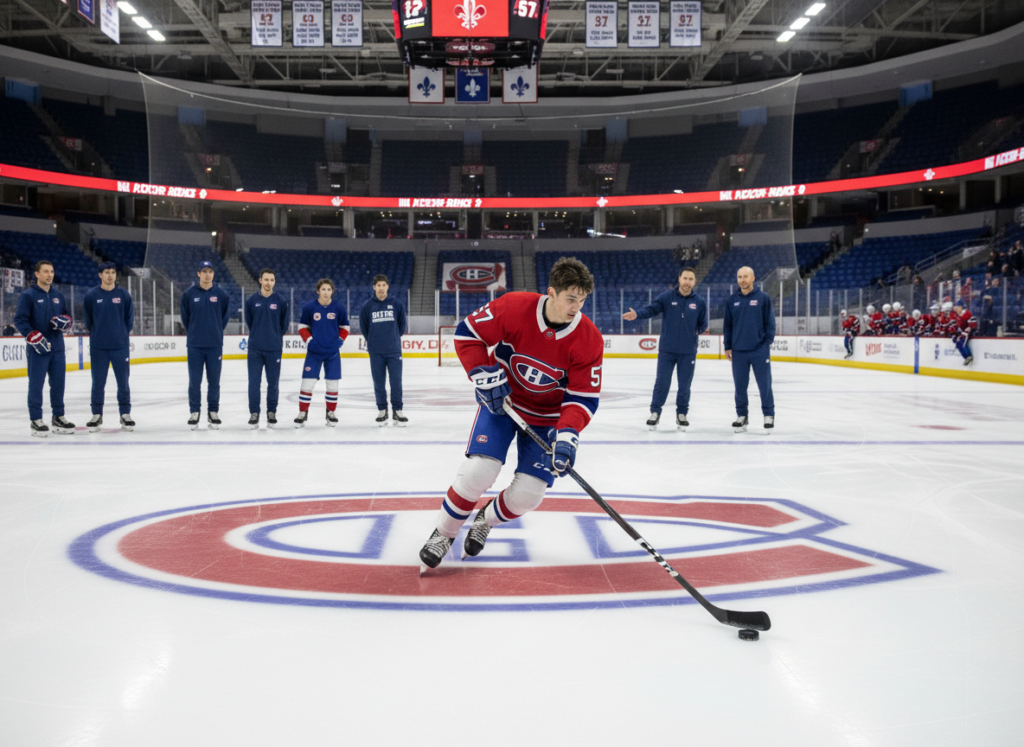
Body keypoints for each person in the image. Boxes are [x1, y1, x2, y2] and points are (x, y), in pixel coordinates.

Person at [418, 256, 603, 570]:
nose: (577, 307)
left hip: (547, 421)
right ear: (552, 293)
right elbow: (467, 333)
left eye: (582, 300)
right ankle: (444, 533)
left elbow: (583, 397)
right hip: (503, 405)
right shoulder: (514, 307)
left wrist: (568, 436)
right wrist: (483, 374)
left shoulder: (588, 339)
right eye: (571, 299)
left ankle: (485, 520)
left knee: (528, 496)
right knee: (478, 473)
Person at [621, 266, 707, 431]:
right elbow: (651, 309)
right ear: (679, 279)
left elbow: (703, 324)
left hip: (688, 352)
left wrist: (694, 332)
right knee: (662, 383)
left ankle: (682, 414)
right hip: (667, 350)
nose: (687, 282)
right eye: (685, 278)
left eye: (691, 279)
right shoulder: (667, 297)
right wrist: (637, 314)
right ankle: (655, 412)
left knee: (684, 385)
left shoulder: (699, 302)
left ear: (694, 281)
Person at [13, 259, 75, 437]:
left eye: (52, 272)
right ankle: (36, 420)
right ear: (37, 274)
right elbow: (20, 319)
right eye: (46, 272)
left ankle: (58, 417)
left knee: (58, 385)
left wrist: (66, 322)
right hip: (38, 349)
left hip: (57, 348)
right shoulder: (28, 295)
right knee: (36, 385)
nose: (50, 275)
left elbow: (67, 316)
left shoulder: (58, 295)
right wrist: (31, 335)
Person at [723, 266, 775, 434]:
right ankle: (742, 416)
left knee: (764, 385)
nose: (742, 280)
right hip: (738, 352)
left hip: (759, 350)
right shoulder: (732, 300)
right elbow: (728, 326)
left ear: (753, 278)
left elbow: (770, 323)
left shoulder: (763, 298)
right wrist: (728, 346)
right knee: (740, 387)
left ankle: (768, 415)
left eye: (745, 276)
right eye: (739, 276)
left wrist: (766, 343)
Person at [83, 261, 135, 432]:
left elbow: (129, 320)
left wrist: (119, 334)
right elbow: (88, 321)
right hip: (99, 347)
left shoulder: (124, 295)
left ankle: (125, 414)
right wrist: (99, 334)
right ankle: (96, 415)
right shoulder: (91, 295)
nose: (110, 275)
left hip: (120, 346)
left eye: (113, 272)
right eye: (106, 272)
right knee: (98, 383)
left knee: (123, 383)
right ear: (100, 275)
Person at [180, 259, 231, 430]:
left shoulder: (222, 295)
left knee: (214, 381)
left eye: (210, 271)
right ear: (198, 274)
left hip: (215, 344)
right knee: (195, 381)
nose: (207, 275)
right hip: (195, 345)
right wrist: (194, 331)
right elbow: (185, 319)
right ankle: (195, 412)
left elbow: (224, 318)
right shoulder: (188, 294)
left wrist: (215, 330)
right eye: (204, 271)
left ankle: (213, 412)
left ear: (213, 274)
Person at [295, 278, 350, 428]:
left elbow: (345, 327)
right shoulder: (309, 307)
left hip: (332, 352)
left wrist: (339, 341)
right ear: (318, 291)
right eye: (323, 289)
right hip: (314, 352)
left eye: (329, 289)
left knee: (332, 384)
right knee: (307, 383)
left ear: (332, 291)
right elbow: (302, 327)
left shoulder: (339, 308)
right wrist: (310, 341)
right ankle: (302, 413)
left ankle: (330, 413)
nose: (326, 292)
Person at [359, 274, 408, 427]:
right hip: (376, 351)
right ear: (374, 287)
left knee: (396, 382)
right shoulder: (367, 306)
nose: (381, 288)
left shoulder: (396, 304)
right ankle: (382, 410)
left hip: (394, 350)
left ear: (388, 286)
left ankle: (397, 410)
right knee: (378, 383)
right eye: (378, 285)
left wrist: (392, 338)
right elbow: (364, 327)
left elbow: (401, 326)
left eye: (383, 285)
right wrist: (374, 340)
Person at [244, 268, 289, 429]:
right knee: (254, 383)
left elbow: (284, 325)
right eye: (266, 279)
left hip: (274, 349)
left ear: (274, 282)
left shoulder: (281, 301)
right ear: (260, 280)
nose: (268, 283)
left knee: (273, 383)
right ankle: (254, 413)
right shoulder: (251, 301)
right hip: (255, 349)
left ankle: (271, 412)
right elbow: (250, 322)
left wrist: (274, 336)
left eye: (271, 280)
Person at [951, 301, 978, 366]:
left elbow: (972, 324)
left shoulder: (967, 313)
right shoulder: (958, 315)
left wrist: (965, 332)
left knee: (961, 339)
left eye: (957, 308)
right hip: (963, 331)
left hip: (969, 330)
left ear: (960, 307)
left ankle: (968, 355)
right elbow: (958, 326)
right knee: (957, 342)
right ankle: (966, 357)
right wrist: (955, 333)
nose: (956, 310)